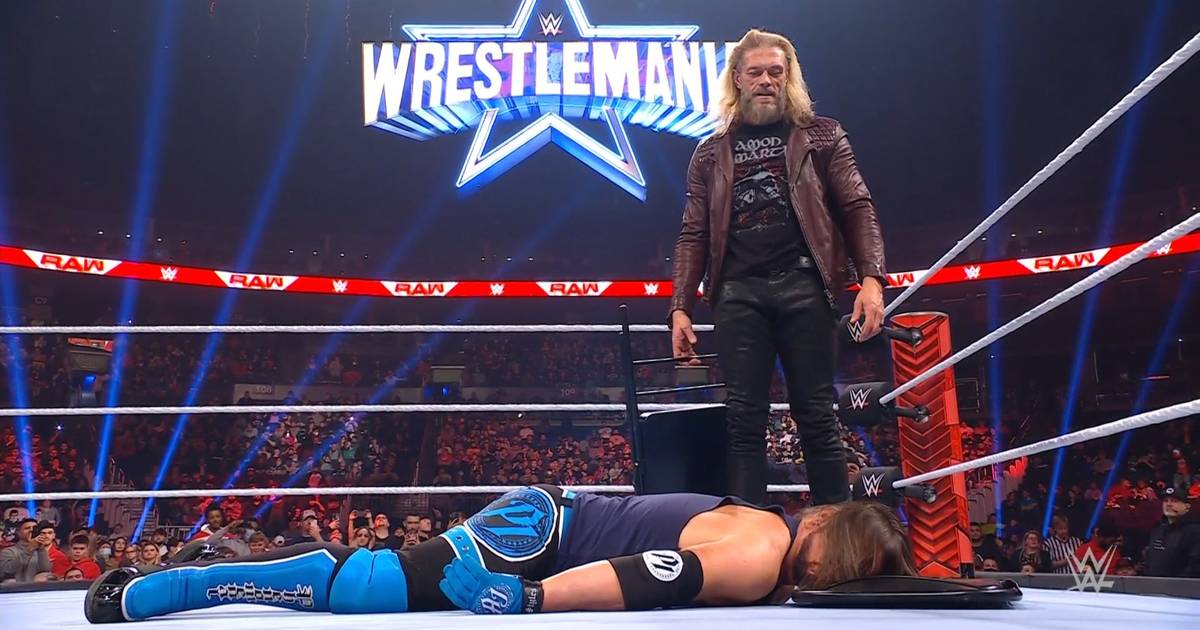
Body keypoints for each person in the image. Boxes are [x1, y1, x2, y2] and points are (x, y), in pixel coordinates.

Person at [85, 485, 914, 622]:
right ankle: (180, 583)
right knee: (367, 590)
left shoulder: (769, 534)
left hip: (553, 531)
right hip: (543, 534)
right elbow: (649, 574)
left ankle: (273, 557)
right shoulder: (764, 550)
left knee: (381, 582)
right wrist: (534, 600)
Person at [669, 28, 887, 506]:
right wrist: (680, 307)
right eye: (756, 72)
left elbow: (857, 205)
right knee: (743, 419)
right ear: (737, 79)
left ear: (788, 78)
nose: (766, 80)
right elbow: (693, 232)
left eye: (775, 72)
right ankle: (748, 535)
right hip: (737, 293)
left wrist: (872, 280)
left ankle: (832, 533)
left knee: (817, 415)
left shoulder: (822, 135)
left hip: (806, 285)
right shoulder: (709, 153)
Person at [1144, 485, 1200, 577]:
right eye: (1165, 501)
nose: (1168, 504)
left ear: (1187, 506)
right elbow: (1150, 561)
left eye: (1174, 501)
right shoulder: (1157, 530)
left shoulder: (1195, 531)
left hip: (1183, 585)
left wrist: (1175, 583)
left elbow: (1195, 566)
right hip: (1154, 584)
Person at [0, 518, 52, 583]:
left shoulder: (40, 551)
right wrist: (29, 549)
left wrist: (41, 549)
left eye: (34, 528)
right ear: (19, 533)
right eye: (27, 528)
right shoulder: (8, 551)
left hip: (37, 587)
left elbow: (45, 570)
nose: (31, 530)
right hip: (17, 587)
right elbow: (6, 571)